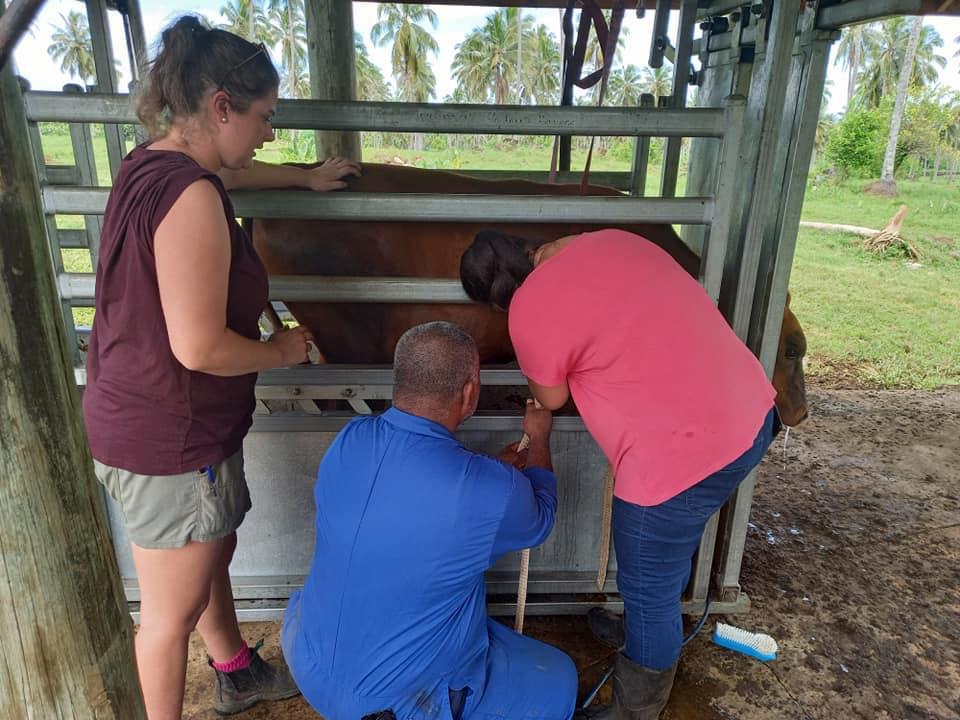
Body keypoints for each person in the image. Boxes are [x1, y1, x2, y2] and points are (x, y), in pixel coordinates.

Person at [81, 16, 360, 719]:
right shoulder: (193, 199)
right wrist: (281, 352)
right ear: (221, 107)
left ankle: (234, 668)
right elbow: (199, 348)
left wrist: (300, 179)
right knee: (165, 621)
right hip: (169, 436)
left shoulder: (155, 164)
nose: (269, 133)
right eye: (264, 117)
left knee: (211, 546)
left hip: (150, 414)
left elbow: (232, 163)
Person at [459, 228, 778, 720]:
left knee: (648, 584)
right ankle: (647, 628)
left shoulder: (529, 307)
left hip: (680, 458)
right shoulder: (614, 240)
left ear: (496, 300)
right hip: (751, 414)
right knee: (663, 565)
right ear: (527, 247)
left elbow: (551, 398)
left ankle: (635, 708)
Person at [281, 321, 578, 720]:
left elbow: (411, 497)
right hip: (388, 706)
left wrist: (493, 475)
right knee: (560, 679)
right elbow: (541, 517)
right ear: (470, 392)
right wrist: (539, 438)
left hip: (306, 656)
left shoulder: (352, 437)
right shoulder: (490, 489)